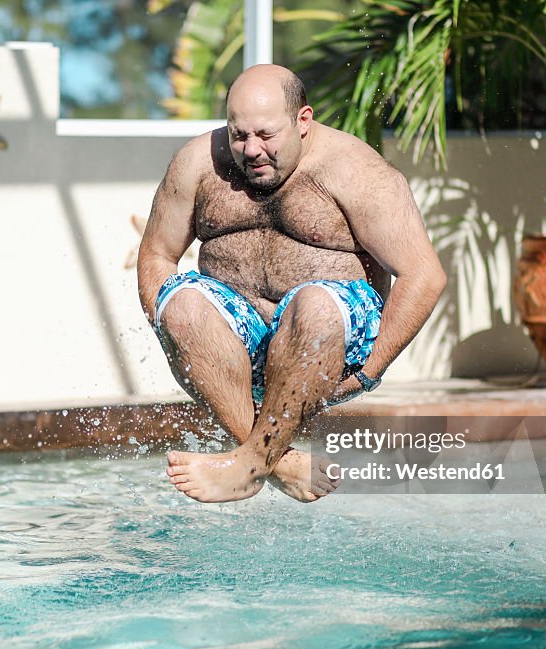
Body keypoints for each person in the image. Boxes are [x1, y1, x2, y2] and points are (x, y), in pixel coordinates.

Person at [137, 64, 446, 504]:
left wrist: (370, 374)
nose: (251, 150)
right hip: (241, 349)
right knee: (181, 304)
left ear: (303, 121)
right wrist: (177, 335)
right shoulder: (197, 164)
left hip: (328, 344)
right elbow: (157, 256)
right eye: (238, 135)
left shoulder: (355, 171)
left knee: (315, 304)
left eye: (266, 134)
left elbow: (424, 275)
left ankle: (250, 463)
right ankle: (273, 462)